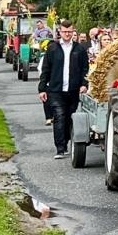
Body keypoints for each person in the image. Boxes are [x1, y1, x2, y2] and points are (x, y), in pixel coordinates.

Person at [37, 20, 89, 159]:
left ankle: (65, 141)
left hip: (73, 90)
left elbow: (85, 69)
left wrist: (84, 84)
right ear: (59, 32)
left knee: (68, 117)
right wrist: (42, 88)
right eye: (64, 32)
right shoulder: (53, 48)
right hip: (55, 90)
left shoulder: (79, 49)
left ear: (73, 32)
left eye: (69, 32)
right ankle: (60, 148)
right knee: (59, 116)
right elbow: (46, 69)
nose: (67, 34)